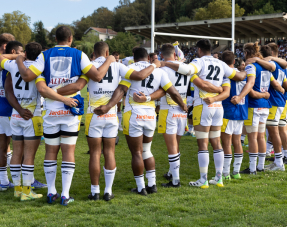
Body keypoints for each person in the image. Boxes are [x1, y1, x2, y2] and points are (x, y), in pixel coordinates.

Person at [15, 26, 116, 206]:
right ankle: (65, 194)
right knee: (68, 151)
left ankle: (51, 192)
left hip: (51, 110)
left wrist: (19, 60)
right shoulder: (79, 54)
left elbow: (28, 76)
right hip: (71, 110)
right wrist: (109, 59)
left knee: (50, 151)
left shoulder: (44, 55)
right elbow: (98, 76)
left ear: (55, 38)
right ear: (71, 38)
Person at [94, 47, 186, 195]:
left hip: (133, 115)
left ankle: (141, 187)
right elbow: (172, 92)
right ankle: (152, 184)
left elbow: (121, 90)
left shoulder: (129, 68)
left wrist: (109, 106)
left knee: (136, 153)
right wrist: (183, 105)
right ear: (148, 58)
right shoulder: (158, 71)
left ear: (134, 58)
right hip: (150, 116)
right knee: (146, 151)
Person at [133, 43, 223, 188]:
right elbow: (199, 83)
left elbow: (163, 90)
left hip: (169, 109)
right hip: (183, 110)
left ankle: (175, 180)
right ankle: (171, 172)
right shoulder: (185, 67)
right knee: (176, 144)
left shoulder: (163, 68)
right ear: (175, 54)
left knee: (172, 146)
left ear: (162, 56)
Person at [161, 39, 246, 188]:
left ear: (199, 50)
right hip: (218, 107)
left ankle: (203, 179)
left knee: (203, 144)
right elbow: (239, 76)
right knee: (216, 142)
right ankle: (219, 179)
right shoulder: (220, 63)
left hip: (203, 105)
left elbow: (187, 70)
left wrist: (166, 63)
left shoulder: (199, 61)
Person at [82, 42, 160, 201]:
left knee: (95, 154)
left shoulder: (89, 65)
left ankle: (95, 191)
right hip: (111, 113)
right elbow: (139, 76)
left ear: (94, 53)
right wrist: (155, 65)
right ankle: (108, 191)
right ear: (108, 51)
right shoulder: (117, 65)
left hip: (94, 113)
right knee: (110, 152)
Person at [0, 42, 71, 201]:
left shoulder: (12, 65)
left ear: (25, 52)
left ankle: (17, 190)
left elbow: (0, 58)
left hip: (16, 115)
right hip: (33, 116)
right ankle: (26, 192)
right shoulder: (40, 68)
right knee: (29, 155)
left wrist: (18, 58)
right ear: (39, 55)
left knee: (17, 152)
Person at [240, 42, 284, 174]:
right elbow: (275, 83)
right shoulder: (265, 68)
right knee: (261, 137)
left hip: (254, 106)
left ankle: (253, 168)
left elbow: (251, 84)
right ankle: (260, 166)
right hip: (265, 106)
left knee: (253, 137)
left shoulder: (251, 67)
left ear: (246, 53)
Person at [220, 51, 257, 180]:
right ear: (234, 61)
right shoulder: (243, 74)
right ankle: (236, 171)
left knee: (226, 143)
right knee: (237, 142)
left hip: (228, 111)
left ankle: (225, 173)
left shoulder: (224, 74)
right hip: (242, 111)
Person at [0, 40, 23, 191]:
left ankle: (4, 182)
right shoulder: (8, 64)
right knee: (19, 148)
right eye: (20, 52)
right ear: (13, 52)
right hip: (8, 110)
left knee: (1, 148)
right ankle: (23, 182)